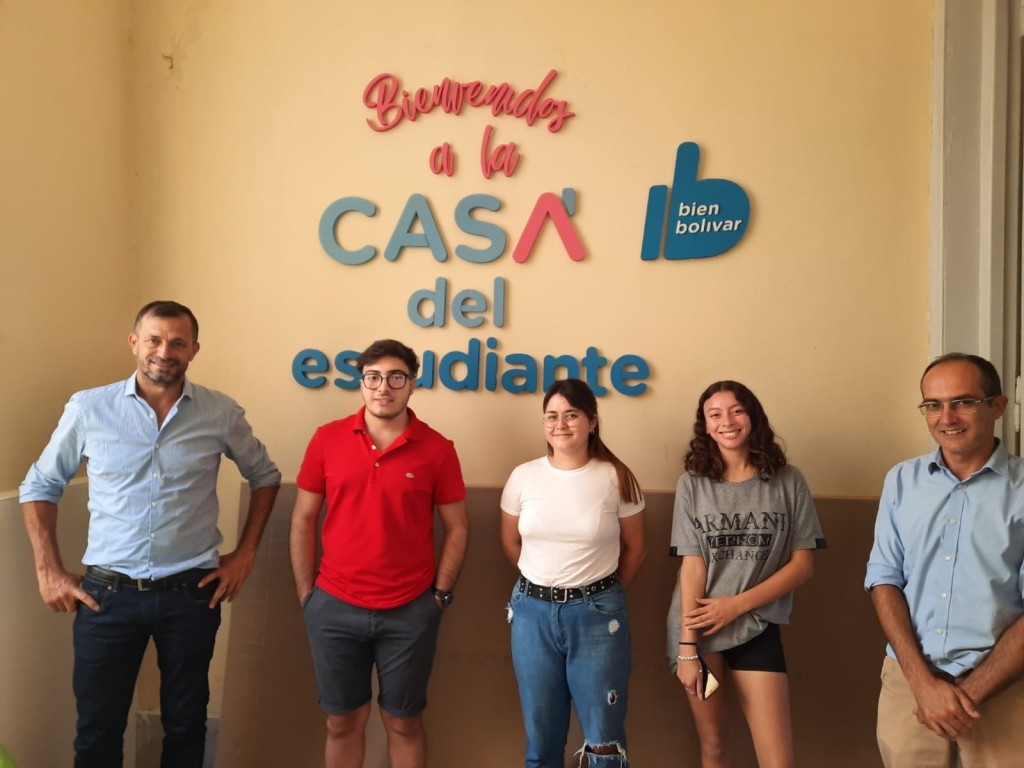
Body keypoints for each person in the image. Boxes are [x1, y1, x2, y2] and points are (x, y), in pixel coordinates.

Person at [19, 300, 281, 768]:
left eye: (178, 343)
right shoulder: (89, 408)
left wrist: (245, 554)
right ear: (134, 342)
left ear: (194, 350)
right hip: (106, 597)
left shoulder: (220, 412)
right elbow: (40, 485)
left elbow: (265, 476)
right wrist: (48, 570)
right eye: (154, 340)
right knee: (97, 731)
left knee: (186, 726)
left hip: (191, 595)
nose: (165, 352)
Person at [290, 339, 468, 768]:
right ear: (361, 382)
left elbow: (458, 528)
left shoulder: (438, 449)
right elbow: (303, 519)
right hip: (333, 606)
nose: (383, 387)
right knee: (341, 722)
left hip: (410, 610)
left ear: (412, 384)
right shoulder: (327, 439)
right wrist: (308, 596)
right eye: (373, 377)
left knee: (404, 723)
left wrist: (439, 597)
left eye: (395, 377)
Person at [865, 352, 1024, 767]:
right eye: (932, 405)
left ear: (997, 406)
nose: (946, 417)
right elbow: (884, 579)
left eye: (963, 402)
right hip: (909, 686)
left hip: (1007, 689)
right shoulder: (902, 480)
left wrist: (965, 696)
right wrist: (923, 685)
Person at [666, 380, 826, 768]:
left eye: (736, 411)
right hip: (699, 630)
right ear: (705, 426)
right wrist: (687, 649)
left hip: (756, 625)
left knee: (778, 759)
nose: (727, 421)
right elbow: (692, 566)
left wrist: (735, 606)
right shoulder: (692, 485)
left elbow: (803, 565)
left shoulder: (788, 480)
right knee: (714, 745)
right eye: (715, 414)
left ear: (752, 417)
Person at [500, 378, 647, 768]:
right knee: (541, 740)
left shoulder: (616, 476)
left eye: (571, 415)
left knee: (604, 742)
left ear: (592, 421)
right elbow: (511, 543)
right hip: (531, 614)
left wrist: (598, 595)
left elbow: (636, 549)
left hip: (597, 616)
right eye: (551, 416)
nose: (560, 424)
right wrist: (546, 582)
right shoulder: (523, 476)